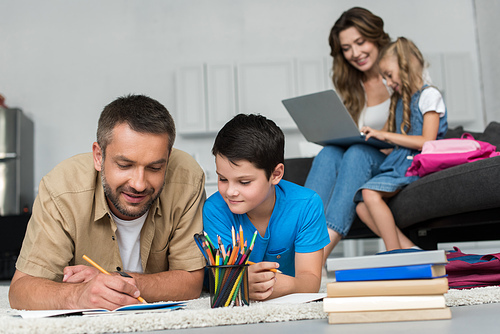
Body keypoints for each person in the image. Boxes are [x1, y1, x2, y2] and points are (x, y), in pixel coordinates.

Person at [9, 94, 206, 310]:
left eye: (155, 168)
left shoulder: (187, 179)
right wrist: (79, 295)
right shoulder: (61, 189)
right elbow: (21, 290)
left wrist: (117, 281)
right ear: (98, 157)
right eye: (124, 165)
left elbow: (191, 281)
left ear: (168, 159)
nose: (139, 184)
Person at [203, 114, 330, 301]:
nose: (230, 191)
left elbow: (310, 283)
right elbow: (220, 281)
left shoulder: (307, 205)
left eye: (244, 182)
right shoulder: (215, 210)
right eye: (222, 179)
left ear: (276, 174)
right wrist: (236, 282)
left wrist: (283, 284)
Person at [304, 7, 392, 263]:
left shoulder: (400, 75)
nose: (355, 53)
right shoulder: (352, 85)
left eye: (360, 42)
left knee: (357, 154)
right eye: (346, 48)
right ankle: (303, 236)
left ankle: (315, 259)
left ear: (376, 37)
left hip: (393, 160)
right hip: (364, 157)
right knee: (329, 153)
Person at [355, 37, 448, 251]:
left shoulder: (429, 95)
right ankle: (411, 251)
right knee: (361, 207)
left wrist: (385, 135)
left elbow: (427, 141)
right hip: (399, 163)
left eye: (389, 75)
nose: (387, 82)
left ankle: (393, 252)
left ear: (406, 66)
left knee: (369, 192)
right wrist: (370, 137)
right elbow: (392, 143)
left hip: (417, 163)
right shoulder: (399, 101)